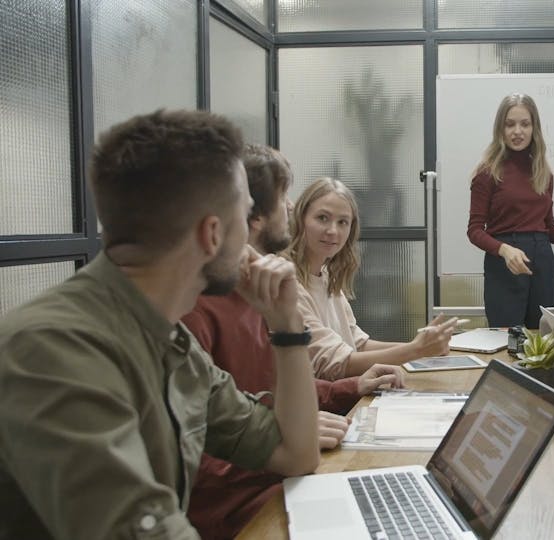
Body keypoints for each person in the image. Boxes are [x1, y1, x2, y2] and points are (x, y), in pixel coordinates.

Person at [0, 110, 319, 539]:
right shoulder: (51, 348)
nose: (250, 236)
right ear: (212, 235)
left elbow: (295, 454)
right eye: (243, 217)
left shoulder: (173, 342)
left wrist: (287, 327)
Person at [183, 144, 406, 539]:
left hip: (275, 479)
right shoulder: (196, 308)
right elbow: (193, 452)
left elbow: (268, 392)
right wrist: (279, 440)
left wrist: (350, 388)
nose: (290, 209)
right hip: (238, 506)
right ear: (249, 215)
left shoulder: (257, 290)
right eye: (286, 199)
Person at [283, 177, 458, 380]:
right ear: (301, 218)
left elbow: (358, 344)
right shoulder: (289, 285)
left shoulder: (326, 275)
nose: (333, 231)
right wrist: (416, 350)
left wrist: (424, 346)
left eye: (343, 222)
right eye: (322, 218)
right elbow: (336, 363)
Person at [467, 93, 554, 329]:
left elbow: (547, 228)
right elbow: (475, 231)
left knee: (546, 337)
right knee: (507, 340)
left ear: (534, 128)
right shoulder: (487, 173)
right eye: (510, 124)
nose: (517, 131)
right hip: (505, 264)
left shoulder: (543, 173)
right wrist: (504, 250)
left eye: (525, 124)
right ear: (500, 129)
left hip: (543, 261)